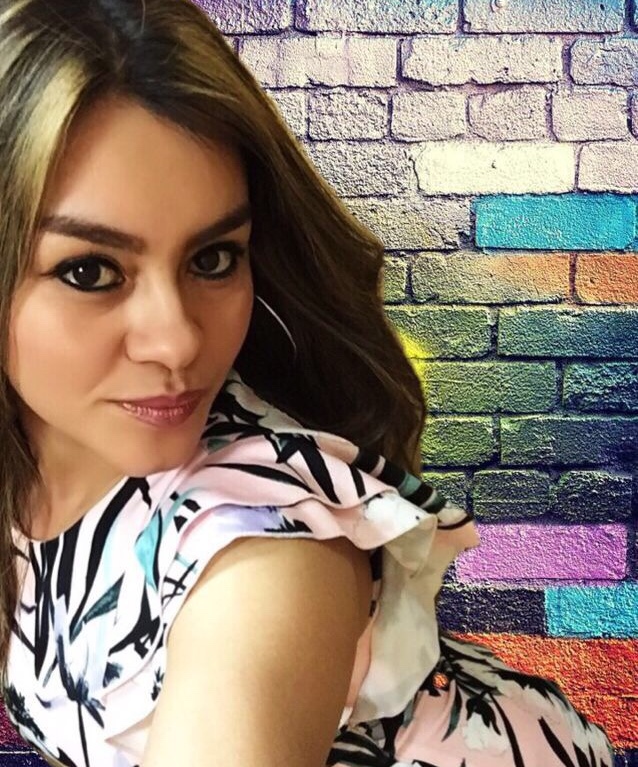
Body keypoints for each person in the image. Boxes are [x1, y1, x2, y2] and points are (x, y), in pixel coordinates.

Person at [0, 1, 615, 766]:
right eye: (91, 271)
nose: (178, 339)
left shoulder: (260, 562)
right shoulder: (40, 456)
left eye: (213, 258)